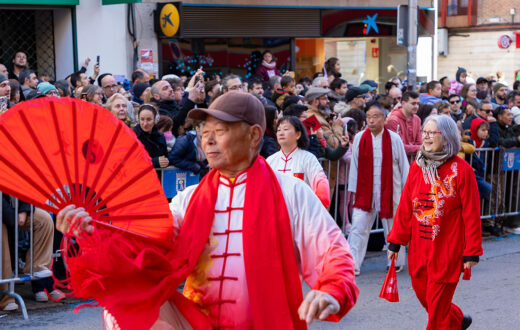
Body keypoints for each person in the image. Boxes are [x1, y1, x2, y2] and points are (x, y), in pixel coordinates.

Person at [56, 91, 359, 328]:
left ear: (254, 136)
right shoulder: (189, 199)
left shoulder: (290, 192)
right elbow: (145, 244)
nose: (207, 139)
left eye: (221, 130)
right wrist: (94, 232)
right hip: (196, 323)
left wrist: (332, 290)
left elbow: (333, 252)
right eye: (204, 130)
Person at [387, 114, 482, 330]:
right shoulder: (416, 167)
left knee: (437, 313)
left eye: (432, 133)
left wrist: (472, 250)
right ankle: (457, 319)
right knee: (429, 301)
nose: (427, 137)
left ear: (447, 138)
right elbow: (405, 207)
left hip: (447, 250)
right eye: (425, 132)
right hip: (419, 250)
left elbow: (471, 213)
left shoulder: (462, 170)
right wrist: (396, 240)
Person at [348, 101, 409, 276]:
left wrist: (408, 191)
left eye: (375, 117)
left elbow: (404, 167)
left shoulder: (394, 139)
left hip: (391, 190)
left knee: (392, 228)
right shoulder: (360, 138)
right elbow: (355, 166)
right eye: (368, 117)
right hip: (365, 191)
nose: (371, 120)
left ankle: (395, 261)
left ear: (384, 118)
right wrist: (354, 192)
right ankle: (353, 264)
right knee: (358, 227)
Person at [267, 116, 331, 208]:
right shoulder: (270, 161)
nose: (281, 133)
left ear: (298, 134)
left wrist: (319, 205)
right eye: (278, 130)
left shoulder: (308, 159)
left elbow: (320, 181)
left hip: (301, 213)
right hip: (276, 213)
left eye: (285, 129)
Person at [133, 104, 169, 169]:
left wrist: (165, 161)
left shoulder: (160, 136)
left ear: (155, 120)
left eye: (149, 119)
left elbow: (165, 157)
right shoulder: (132, 136)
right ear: (138, 119)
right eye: (142, 119)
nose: (145, 123)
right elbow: (131, 161)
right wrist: (154, 161)